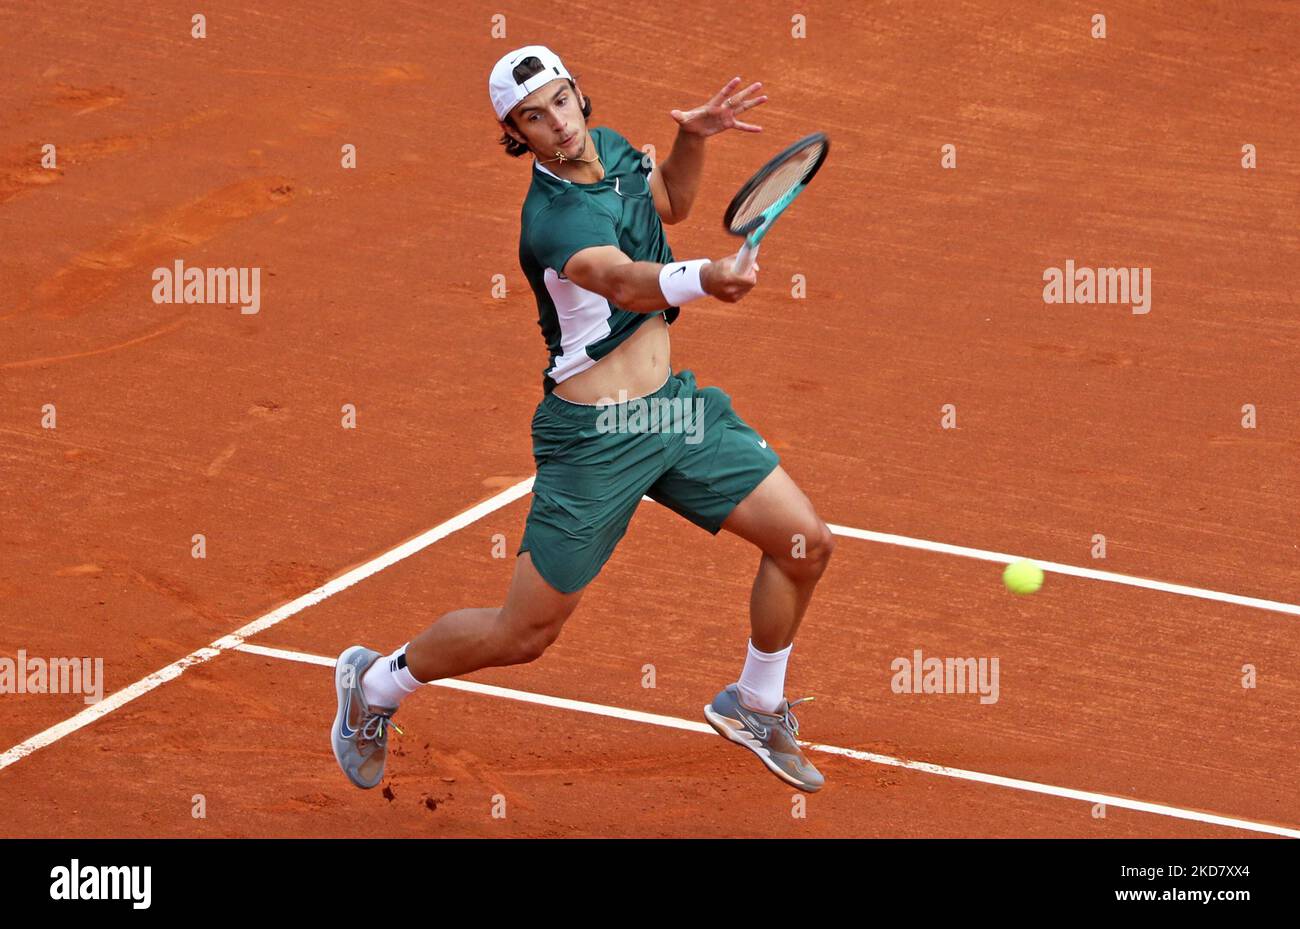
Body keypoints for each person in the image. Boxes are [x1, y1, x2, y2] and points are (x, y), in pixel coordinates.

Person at [332, 45, 836, 793]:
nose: (559, 125)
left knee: (805, 544)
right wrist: (706, 277)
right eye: (533, 118)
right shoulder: (552, 220)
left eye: (562, 102)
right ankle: (375, 684)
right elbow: (623, 281)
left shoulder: (608, 149)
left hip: (676, 410)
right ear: (516, 134)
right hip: (593, 442)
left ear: (578, 95)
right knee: (523, 633)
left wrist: (692, 140)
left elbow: (669, 201)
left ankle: (755, 703)